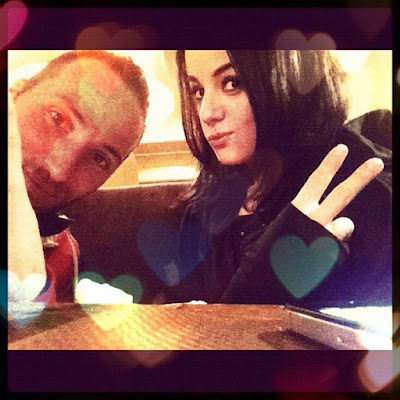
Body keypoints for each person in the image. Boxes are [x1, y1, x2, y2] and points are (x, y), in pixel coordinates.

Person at [164, 50, 391, 307]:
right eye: (198, 92)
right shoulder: (208, 197)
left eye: (232, 83)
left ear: (294, 77)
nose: (207, 113)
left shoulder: (359, 188)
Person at [8, 50, 149, 304]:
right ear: (14, 94)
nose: (58, 170)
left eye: (99, 158)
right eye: (57, 118)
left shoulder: (64, 254)